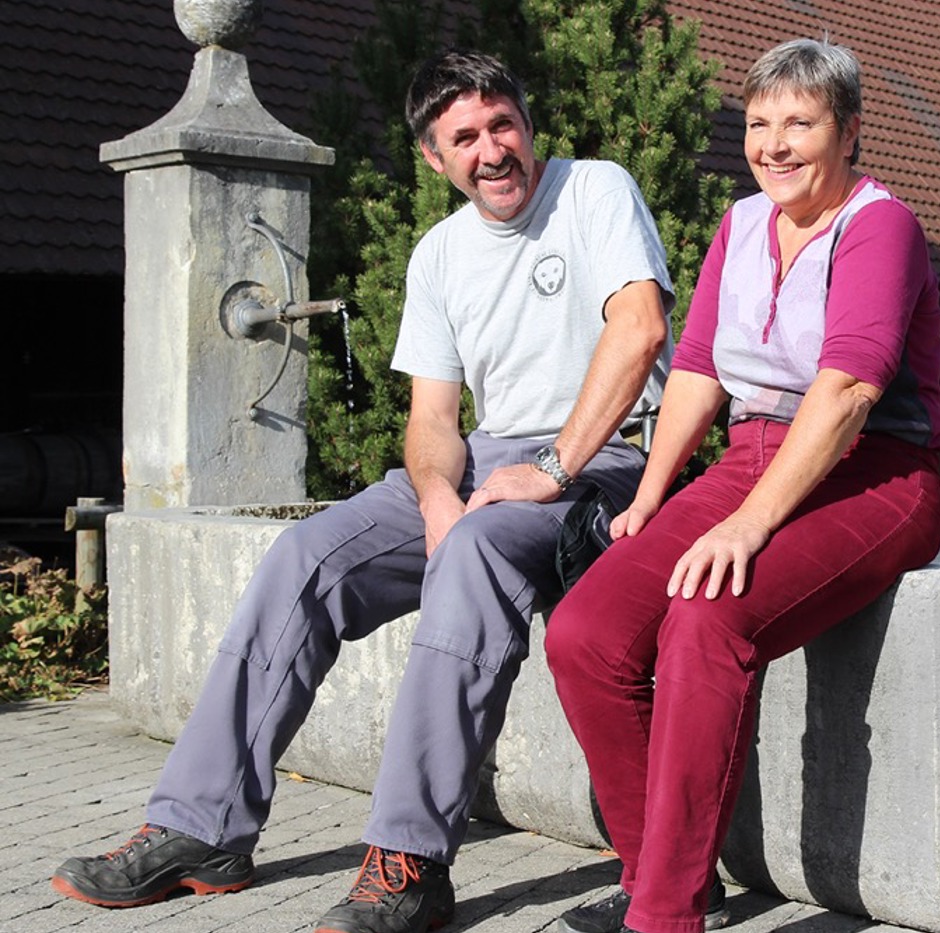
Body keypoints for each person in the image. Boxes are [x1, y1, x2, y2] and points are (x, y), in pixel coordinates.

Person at [50, 48, 675, 933]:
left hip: (606, 458)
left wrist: (558, 466)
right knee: (305, 554)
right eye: (465, 137)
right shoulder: (439, 254)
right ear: (434, 157)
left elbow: (641, 327)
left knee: (480, 552)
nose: (491, 150)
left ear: (529, 126)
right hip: (488, 461)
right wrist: (434, 497)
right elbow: (431, 421)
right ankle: (203, 825)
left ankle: (411, 863)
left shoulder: (594, 191)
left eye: (503, 125)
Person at [546, 38, 940, 933]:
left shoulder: (881, 225)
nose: (773, 144)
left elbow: (847, 390)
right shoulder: (740, 224)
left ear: (847, 132)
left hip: (875, 470)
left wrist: (750, 527)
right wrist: (651, 498)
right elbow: (696, 368)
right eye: (760, 123)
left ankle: (663, 915)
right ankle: (657, 870)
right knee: (586, 633)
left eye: (799, 123)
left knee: (708, 617)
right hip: (744, 461)